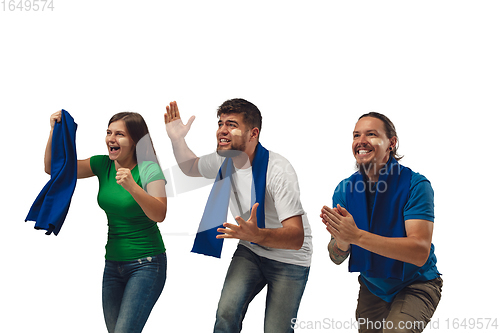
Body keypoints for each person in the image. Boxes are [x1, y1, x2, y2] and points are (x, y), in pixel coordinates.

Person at [164, 99, 312, 333]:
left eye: (231, 124)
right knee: (226, 314)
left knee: (277, 330)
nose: (222, 130)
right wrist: (177, 140)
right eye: (220, 123)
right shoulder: (225, 159)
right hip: (251, 248)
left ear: (253, 133)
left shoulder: (279, 170)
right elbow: (190, 167)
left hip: (289, 258)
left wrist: (258, 234)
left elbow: (296, 238)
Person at [45, 111, 167, 333]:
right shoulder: (103, 165)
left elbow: (159, 213)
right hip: (113, 265)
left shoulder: (149, 169)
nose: (111, 138)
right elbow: (54, 169)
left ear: (135, 141)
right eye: (109, 132)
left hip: (147, 263)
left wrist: (132, 187)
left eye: (119, 134)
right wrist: (54, 131)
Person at [321, 112, 442, 333]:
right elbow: (336, 257)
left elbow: (419, 252)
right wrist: (342, 242)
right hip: (373, 287)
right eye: (356, 135)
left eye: (371, 134)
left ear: (391, 143)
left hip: (415, 283)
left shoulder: (416, 185)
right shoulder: (345, 190)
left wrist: (356, 236)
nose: (361, 141)